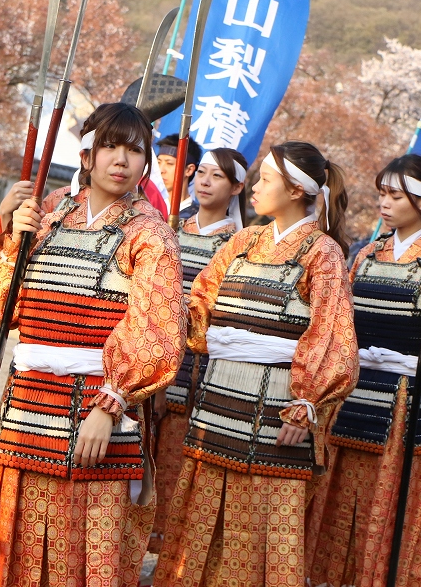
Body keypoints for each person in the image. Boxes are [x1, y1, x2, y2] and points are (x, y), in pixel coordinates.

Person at [0, 102, 186, 586]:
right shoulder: (48, 216)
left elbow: (159, 331)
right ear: (87, 155)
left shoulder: (150, 233)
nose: (121, 160)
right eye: (110, 146)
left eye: (134, 150)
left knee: (88, 548)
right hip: (28, 401)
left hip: (99, 405)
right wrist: (9, 238)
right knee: (18, 541)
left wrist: (111, 405)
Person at [154, 141, 358, 587]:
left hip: (276, 415)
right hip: (216, 404)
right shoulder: (243, 241)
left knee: (261, 534)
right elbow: (199, 305)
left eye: (266, 180)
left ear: (297, 191)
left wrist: (308, 403)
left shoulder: (322, 253)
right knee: (198, 530)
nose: (256, 188)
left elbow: (332, 335)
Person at [305, 154, 421, 587]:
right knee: (338, 509)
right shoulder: (367, 254)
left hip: (407, 405)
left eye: (396, 195)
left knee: (390, 512)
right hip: (353, 397)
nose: (385, 203)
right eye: (382, 194)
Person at [148, 147, 247, 557]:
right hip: (156, 362)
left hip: (199, 372)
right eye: (201, 173)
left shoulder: (240, 244)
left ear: (237, 186)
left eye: (217, 176)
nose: (204, 182)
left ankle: (175, 561)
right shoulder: (169, 229)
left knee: (180, 470)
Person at [156, 133, 202, 221]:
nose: (161, 170)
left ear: (189, 170)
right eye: (158, 162)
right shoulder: (147, 206)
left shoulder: (198, 217)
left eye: (169, 163)